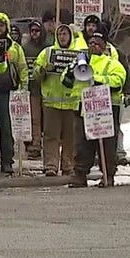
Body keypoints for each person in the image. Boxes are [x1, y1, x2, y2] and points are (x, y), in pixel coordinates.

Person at [66, 30, 127, 187]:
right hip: (83, 108)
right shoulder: (82, 60)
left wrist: (95, 78)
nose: (93, 46)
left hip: (106, 109)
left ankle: (108, 175)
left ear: (104, 46)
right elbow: (65, 82)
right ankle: (80, 175)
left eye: (97, 44)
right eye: (91, 43)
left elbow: (118, 80)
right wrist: (70, 72)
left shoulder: (112, 63)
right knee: (82, 144)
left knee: (107, 144)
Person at [32, 23, 79, 177]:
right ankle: (50, 165)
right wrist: (44, 69)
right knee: (51, 136)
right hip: (51, 102)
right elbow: (35, 74)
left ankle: (68, 165)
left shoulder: (78, 55)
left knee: (70, 137)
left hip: (71, 102)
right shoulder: (47, 53)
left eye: (65, 34)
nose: (62, 37)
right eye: (60, 34)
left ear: (70, 36)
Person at [0, 12, 28, 176]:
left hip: (7, 94)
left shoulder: (15, 48)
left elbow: (22, 68)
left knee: (6, 130)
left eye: (2, 25)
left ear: (6, 27)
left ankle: (7, 163)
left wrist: (24, 89)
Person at [22, 20, 51, 160]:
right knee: (35, 119)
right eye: (32, 30)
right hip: (32, 88)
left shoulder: (48, 48)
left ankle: (49, 147)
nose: (34, 33)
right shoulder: (25, 48)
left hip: (47, 88)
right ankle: (35, 145)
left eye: (37, 31)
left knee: (48, 120)